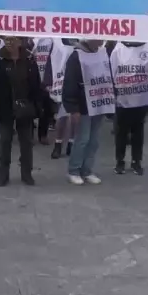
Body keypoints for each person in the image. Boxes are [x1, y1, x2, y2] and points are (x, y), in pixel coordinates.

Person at [0, 35, 45, 186]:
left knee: (26, 143)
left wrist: (37, 107)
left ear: (19, 41)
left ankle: (26, 174)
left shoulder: (29, 59)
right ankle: (3, 175)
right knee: (5, 142)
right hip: (5, 108)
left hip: (25, 108)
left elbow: (36, 84)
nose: (9, 43)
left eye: (12, 40)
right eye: (7, 40)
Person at [61, 39, 114, 185]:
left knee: (94, 140)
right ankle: (74, 170)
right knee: (82, 139)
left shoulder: (102, 54)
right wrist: (73, 108)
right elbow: (70, 83)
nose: (101, 41)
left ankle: (87, 170)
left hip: (99, 102)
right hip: (84, 105)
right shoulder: (76, 56)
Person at [110, 39, 148, 176]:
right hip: (122, 98)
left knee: (138, 130)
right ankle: (120, 161)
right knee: (121, 131)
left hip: (141, 97)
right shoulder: (117, 49)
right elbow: (110, 72)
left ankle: (136, 161)